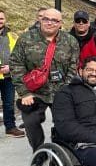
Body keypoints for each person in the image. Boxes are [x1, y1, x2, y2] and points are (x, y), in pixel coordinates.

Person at [10, 8, 79, 152]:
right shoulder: (26, 38)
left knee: (65, 124)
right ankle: (39, 151)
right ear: (40, 20)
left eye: (54, 20)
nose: (50, 23)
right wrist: (24, 92)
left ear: (60, 23)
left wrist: (66, 92)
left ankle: (60, 152)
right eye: (46, 19)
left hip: (61, 91)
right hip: (35, 92)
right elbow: (16, 64)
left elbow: (73, 68)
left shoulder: (70, 41)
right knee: (30, 122)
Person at [0, 9, 25, 138]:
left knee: (9, 103)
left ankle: (10, 127)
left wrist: (10, 67)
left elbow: (18, 56)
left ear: (5, 20)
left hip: (8, 76)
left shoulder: (12, 36)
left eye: (1, 19)